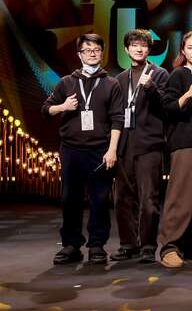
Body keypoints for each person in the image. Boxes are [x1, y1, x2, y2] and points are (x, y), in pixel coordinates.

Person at [43, 33, 124, 265]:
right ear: (79, 54)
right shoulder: (66, 82)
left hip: (100, 149)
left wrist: (112, 150)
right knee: (70, 198)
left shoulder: (111, 83)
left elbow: (117, 119)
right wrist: (63, 106)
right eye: (87, 50)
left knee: (99, 199)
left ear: (102, 53)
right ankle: (71, 245)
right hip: (71, 150)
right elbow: (46, 110)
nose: (92, 54)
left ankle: (97, 245)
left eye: (96, 50)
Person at [112, 29, 169, 264]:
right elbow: (115, 114)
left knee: (148, 200)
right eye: (134, 45)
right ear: (126, 50)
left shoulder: (159, 74)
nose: (139, 49)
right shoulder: (119, 79)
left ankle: (147, 246)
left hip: (150, 145)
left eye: (143, 45)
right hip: (124, 146)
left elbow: (167, 107)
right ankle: (128, 245)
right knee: (122, 199)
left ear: (149, 50)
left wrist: (151, 88)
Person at [158, 31, 192, 268]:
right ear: (183, 50)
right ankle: (169, 246)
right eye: (190, 47)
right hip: (184, 143)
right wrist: (187, 95)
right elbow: (167, 107)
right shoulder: (179, 74)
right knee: (180, 196)